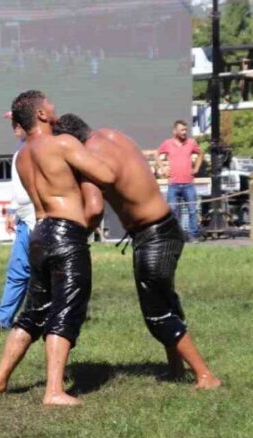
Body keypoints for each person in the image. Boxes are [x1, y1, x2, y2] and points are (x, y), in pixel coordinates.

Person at [52, 113, 221, 389]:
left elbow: (94, 209)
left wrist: (75, 236)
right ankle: (176, 368)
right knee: (165, 301)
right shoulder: (112, 135)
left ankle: (205, 375)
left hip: (152, 236)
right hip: (167, 227)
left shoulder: (90, 160)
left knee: (157, 312)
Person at [0, 90, 118, 406]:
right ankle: (54, 390)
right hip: (66, 233)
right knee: (66, 310)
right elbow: (107, 175)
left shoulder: (23, 156)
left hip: (38, 234)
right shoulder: (62, 143)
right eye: (50, 105)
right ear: (41, 115)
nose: (55, 108)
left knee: (33, 311)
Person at [0, 114, 35, 334]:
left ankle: (64, 313)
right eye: (13, 122)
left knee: (47, 273)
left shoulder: (40, 148)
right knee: (17, 270)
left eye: (19, 122)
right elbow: (20, 188)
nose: (15, 126)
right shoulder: (21, 150)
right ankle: (1, 320)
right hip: (24, 220)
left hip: (40, 221)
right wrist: (12, 211)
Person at [156, 120, 203, 241]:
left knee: (192, 211)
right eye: (182, 130)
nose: (185, 132)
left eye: (186, 130)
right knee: (173, 212)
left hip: (188, 184)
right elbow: (156, 154)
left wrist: (196, 168)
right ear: (175, 131)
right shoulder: (168, 143)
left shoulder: (191, 143)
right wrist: (163, 169)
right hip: (173, 184)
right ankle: (175, 236)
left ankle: (192, 236)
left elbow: (201, 153)